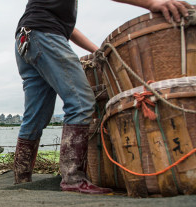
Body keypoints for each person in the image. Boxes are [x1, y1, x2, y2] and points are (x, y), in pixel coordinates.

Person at [13, 0, 193, 194]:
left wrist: (97, 51)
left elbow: (70, 30)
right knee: (81, 102)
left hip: (26, 40)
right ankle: (73, 179)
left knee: (36, 116)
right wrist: (152, 3)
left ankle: (22, 179)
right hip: (45, 36)